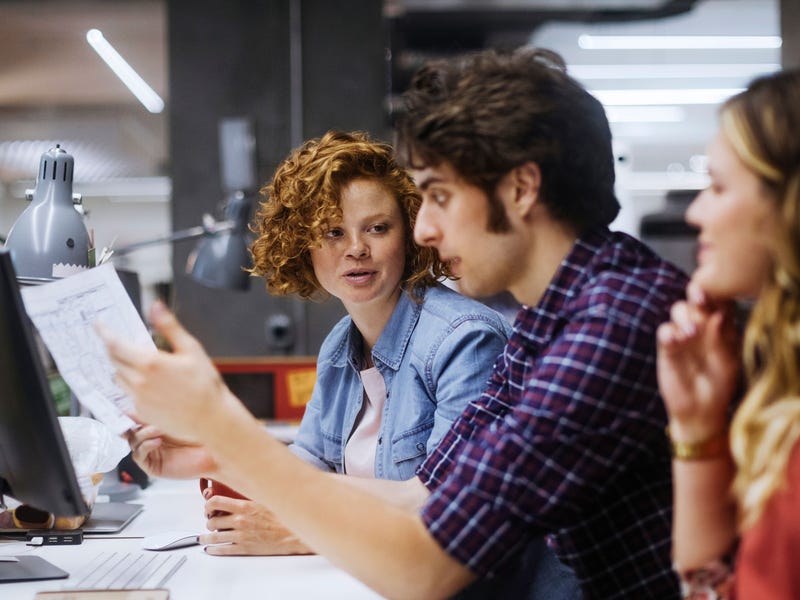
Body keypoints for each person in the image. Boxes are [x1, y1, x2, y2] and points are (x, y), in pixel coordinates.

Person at [102, 47, 687, 599]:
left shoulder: (609, 320)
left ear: (521, 187)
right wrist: (218, 456)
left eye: (437, 196)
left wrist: (225, 430)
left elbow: (427, 566)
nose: (424, 229)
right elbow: (424, 497)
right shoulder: (550, 321)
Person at [162, 130, 512, 556]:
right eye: (332, 232)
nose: (356, 249)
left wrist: (303, 534)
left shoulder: (465, 340)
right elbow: (308, 465)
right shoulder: (338, 347)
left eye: (378, 228)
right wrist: (214, 454)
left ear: (411, 233)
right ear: (302, 246)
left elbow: (450, 509)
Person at [657, 69, 800, 599]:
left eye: (718, 187)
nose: (696, 212)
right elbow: (709, 587)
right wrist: (696, 425)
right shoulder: (778, 389)